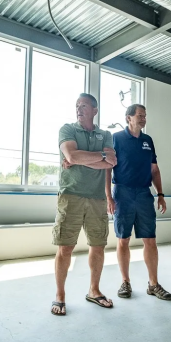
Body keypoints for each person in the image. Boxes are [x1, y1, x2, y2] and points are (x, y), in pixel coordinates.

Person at [51, 94, 117, 316]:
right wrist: (98, 157)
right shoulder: (68, 130)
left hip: (97, 198)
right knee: (65, 247)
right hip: (71, 196)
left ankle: (94, 290)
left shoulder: (105, 134)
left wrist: (80, 158)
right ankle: (60, 295)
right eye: (77, 106)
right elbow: (71, 154)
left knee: (97, 245)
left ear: (95, 110)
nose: (79, 109)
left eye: (84, 106)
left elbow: (112, 162)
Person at [105, 104, 171, 301]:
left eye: (145, 115)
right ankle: (125, 282)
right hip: (122, 193)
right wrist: (109, 197)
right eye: (140, 115)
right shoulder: (115, 138)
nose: (143, 118)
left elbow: (155, 170)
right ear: (128, 118)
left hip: (144, 194)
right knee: (123, 239)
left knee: (150, 239)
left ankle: (153, 284)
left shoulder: (147, 140)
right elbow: (107, 169)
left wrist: (160, 193)